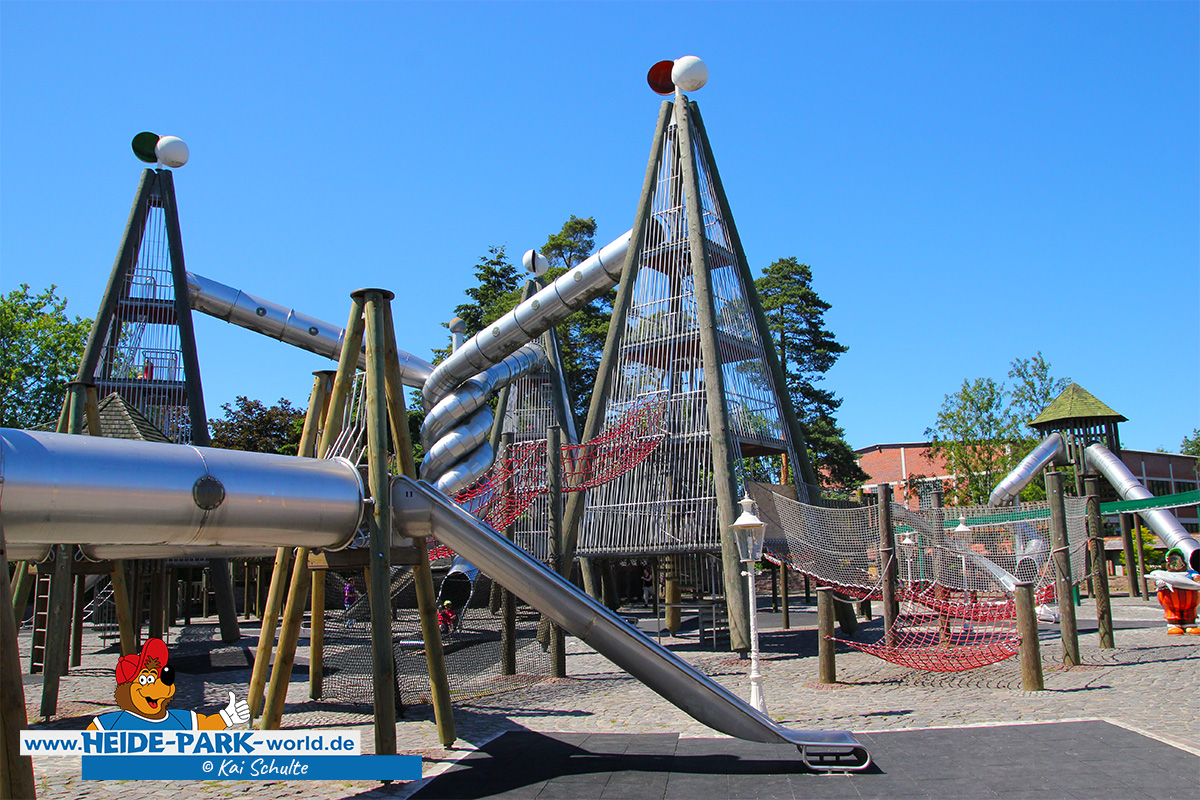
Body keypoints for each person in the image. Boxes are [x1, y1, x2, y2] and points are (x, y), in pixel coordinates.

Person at [88, 637, 249, 731]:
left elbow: (205, 725)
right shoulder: (111, 724)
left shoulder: (179, 720)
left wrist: (228, 717)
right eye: (145, 680)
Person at [1154, 549, 1200, 635]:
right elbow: (1157, 583)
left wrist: (1196, 579)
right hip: (1171, 600)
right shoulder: (1164, 574)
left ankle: (1190, 624)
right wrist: (1160, 583)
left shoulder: (1190, 573)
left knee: (1190, 612)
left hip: (1190, 599)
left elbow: (1197, 578)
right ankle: (1174, 625)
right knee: (1172, 612)